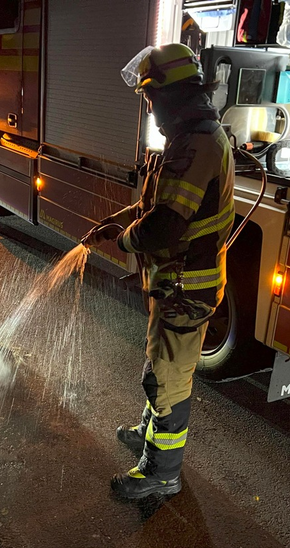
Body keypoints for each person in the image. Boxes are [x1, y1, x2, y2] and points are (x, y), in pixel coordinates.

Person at [82, 43, 235, 500]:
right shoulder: (190, 139)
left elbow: (166, 226)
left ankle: (160, 472)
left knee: (167, 378)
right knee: (160, 367)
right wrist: (117, 223)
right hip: (176, 284)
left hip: (187, 286)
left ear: (170, 95)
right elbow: (160, 204)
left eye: (150, 99)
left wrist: (127, 240)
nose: (150, 110)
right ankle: (150, 435)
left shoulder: (195, 144)